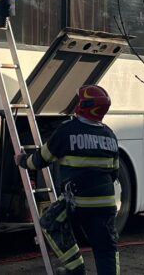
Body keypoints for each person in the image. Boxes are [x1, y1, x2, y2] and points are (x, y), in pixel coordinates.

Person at [18, 85, 120, 274]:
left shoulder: (67, 131)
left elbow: (40, 160)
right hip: (106, 205)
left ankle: (75, 268)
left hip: (78, 202)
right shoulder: (109, 134)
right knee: (106, 249)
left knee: (50, 222)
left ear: (84, 105)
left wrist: (23, 160)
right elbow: (115, 172)